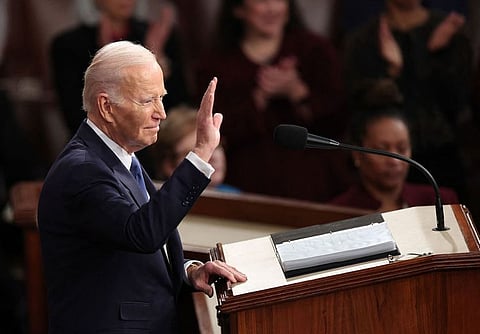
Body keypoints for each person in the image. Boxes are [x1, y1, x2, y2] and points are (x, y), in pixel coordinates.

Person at [37, 41, 246, 334]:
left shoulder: (123, 158)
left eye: (161, 98)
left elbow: (128, 253)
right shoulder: (82, 171)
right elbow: (142, 233)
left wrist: (188, 271)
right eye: (148, 100)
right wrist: (201, 151)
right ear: (106, 106)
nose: (161, 113)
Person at [193, 0, 349, 202]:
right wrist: (258, 98)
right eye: (262, 1)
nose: (272, 8)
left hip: (313, 186)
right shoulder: (216, 63)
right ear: (239, 9)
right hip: (245, 186)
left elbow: (339, 120)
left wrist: (297, 91)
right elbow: (211, 130)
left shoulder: (315, 50)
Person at [343, 0, 473, 202]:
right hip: (381, 165)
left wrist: (434, 56)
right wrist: (392, 72)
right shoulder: (363, 40)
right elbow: (360, 104)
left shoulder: (450, 32)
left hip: (441, 160)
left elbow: (458, 104)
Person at [50, 0, 190, 177]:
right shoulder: (69, 45)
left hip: (157, 150)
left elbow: (180, 108)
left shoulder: (160, 36)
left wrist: (157, 62)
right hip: (99, 153)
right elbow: (74, 114)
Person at [329, 82, 458, 212]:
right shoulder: (337, 211)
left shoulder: (439, 201)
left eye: (402, 149)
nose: (394, 161)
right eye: (382, 151)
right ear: (356, 154)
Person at [153, 104, 241, 193]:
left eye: (216, 146)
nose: (214, 157)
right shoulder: (157, 203)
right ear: (169, 166)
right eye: (200, 151)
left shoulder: (237, 198)